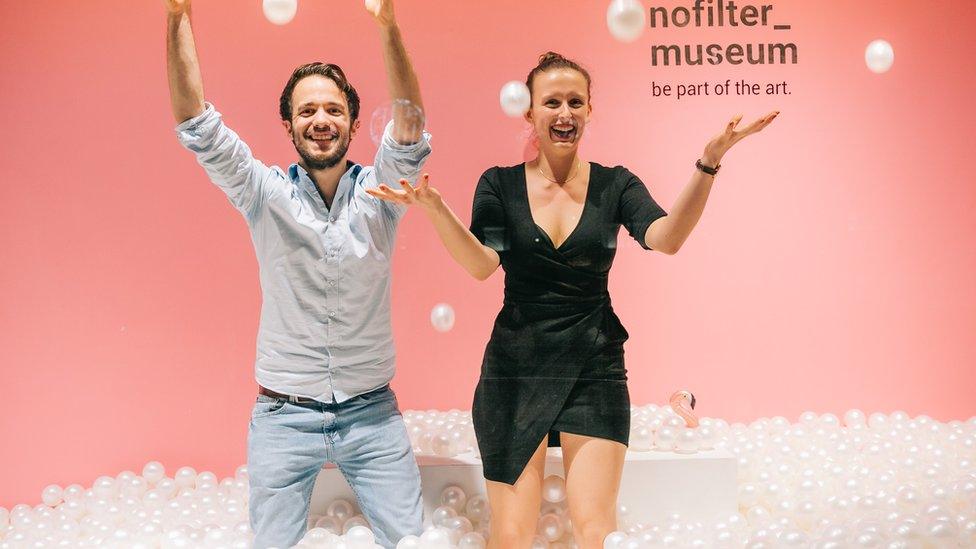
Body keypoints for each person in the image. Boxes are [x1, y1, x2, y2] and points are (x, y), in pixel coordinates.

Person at [366, 52, 777, 548]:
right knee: (513, 534)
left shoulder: (616, 184)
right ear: (531, 113)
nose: (565, 113)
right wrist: (435, 208)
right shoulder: (498, 183)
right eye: (552, 102)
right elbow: (480, 265)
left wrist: (709, 162)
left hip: (594, 364)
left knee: (596, 531)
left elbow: (666, 238)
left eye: (575, 102)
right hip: (515, 369)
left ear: (589, 110)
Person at [164, 0, 431, 547]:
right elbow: (196, 122)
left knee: (414, 541)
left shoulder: (383, 194)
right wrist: (178, 15)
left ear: (354, 122)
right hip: (282, 417)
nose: (321, 121)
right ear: (288, 125)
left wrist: (388, 25)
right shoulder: (264, 194)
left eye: (333, 109)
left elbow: (409, 127)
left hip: (372, 415)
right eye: (307, 111)